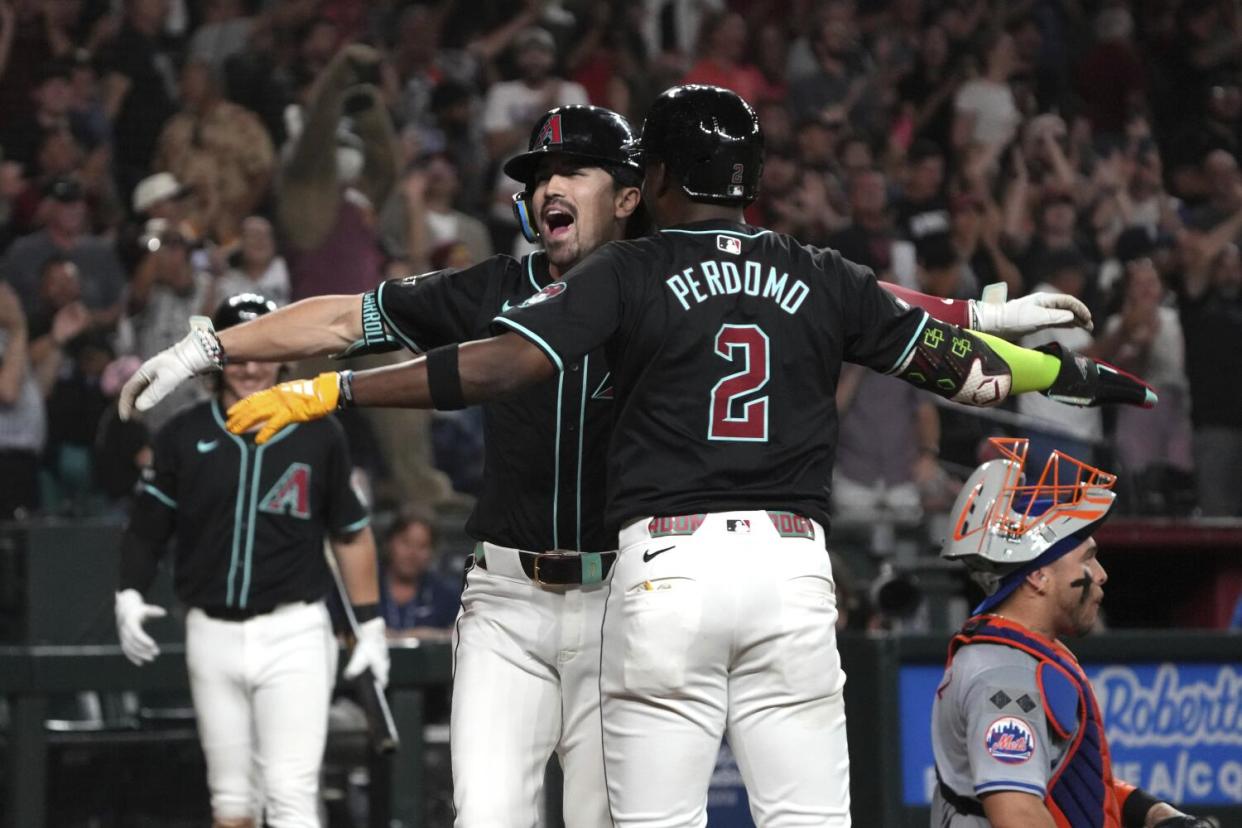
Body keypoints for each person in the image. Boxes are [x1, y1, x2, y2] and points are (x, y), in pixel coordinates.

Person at [118, 101, 1091, 828]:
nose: (549, 186)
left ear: (630, 191)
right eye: (539, 172)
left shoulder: (653, 276)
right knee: (488, 819)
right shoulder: (497, 286)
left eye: (576, 169)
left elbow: (826, 287)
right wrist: (210, 344)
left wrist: (971, 317)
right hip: (510, 598)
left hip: (628, 592)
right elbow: (339, 316)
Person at [112, 293, 386, 828]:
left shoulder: (319, 431)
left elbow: (351, 534)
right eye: (239, 349)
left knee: (289, 797)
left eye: (264, 348)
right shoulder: (183, 434)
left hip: (295, 631)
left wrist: (372, 624)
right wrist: (129, 592)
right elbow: (147, 528)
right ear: (216, 356)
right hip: (209, 631)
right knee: (231, 803)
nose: (252, 364)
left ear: (285, 353)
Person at [932, 437, 1212, 828]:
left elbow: (1069, 782)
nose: (1101, 575)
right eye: (1088, 558)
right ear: (1038, 575)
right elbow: (1018, 816)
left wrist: (1153, 813)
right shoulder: (1006, 678)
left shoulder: (1023, 654)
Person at [379, 507, 460, 639]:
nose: (412, 553)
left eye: (422, 546)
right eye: (405, 543)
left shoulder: (445, 593)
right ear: (389, 542)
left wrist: (432, 636)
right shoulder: (363, 587)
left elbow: (461, 637)